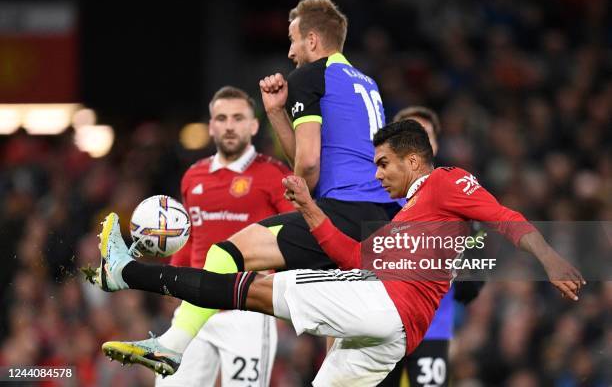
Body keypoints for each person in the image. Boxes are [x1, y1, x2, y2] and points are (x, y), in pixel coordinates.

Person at [89, 120, 585, 386]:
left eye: (386, 164)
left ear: (414, 160)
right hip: (393, 333)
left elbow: (504, 216)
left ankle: (125, 272)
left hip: (387, 306)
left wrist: (550, 258)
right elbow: (351, 256)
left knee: (248, 290)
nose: (379, 174)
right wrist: (308, 209)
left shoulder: (446, 182)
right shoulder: (406, 220)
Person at [101, 0, 397, 375]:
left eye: (292, 40)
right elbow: (324, 154)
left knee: (224, 255)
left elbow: (307, 162)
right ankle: (167, 340)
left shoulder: (309, 76)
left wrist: (304, 204)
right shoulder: (367, 83)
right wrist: (276, 112)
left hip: (341, 213)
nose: (289, 52)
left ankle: (170, 343)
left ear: (312, 40)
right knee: (339, 359)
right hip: (377, 226)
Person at [104, 86, 294, 384]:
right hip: (195, 304)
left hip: (246, 309)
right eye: (221, 118)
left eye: (238, 118)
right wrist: (175, 281)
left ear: (254, 125)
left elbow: (293, 233)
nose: (229, 125)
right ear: (211, 126)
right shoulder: (194, 176)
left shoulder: (275, 174)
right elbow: (188, 236)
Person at [380, 106, 482, 386]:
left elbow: (473, 266)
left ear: (434, 145)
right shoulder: (375, 195)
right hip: (380, 325)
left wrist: (471, 267)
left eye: (425, 136)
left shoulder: (456, 193)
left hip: (432, 329)